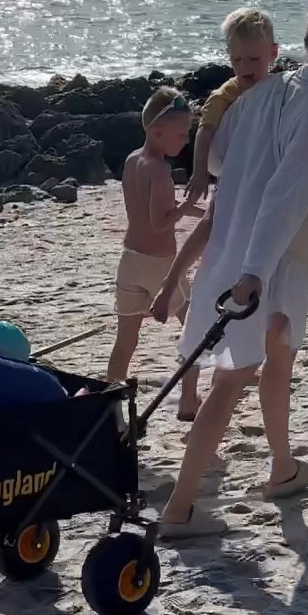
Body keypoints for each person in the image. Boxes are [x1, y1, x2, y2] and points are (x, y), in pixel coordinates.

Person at [153, 0, 308, 538]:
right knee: (234, 378)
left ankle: (281, 467)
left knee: (280, 356)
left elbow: (213, 159)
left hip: (255, 246)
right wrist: (254, 270)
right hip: (268, 257)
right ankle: (180, 508)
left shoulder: (274, 87)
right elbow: (288, 190)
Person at [108, 88, 202, 420]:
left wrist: (196, 213)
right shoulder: (160, 170)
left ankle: (111, 405)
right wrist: (188, 208)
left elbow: (150, 212)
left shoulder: (134, 160)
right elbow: (160, 222)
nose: (185, 141)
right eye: (180, 134)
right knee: (195, 331)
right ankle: (189, 400)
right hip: (159, 265)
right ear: (156, 131)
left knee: (125, 342)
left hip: (130, 259)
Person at [188, 8, 280, 204]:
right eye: (237, 60)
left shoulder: (278, 88)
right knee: (213, 219)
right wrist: (199, 173)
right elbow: (204, 134)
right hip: (226, 167)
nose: (245, 68)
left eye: (254, 59)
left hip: (260, 167)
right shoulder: (225, 95)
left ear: (273, 53)